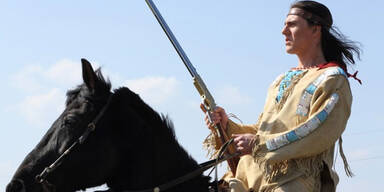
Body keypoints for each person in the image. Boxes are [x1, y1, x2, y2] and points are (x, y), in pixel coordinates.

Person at [202, 1, 361, 191]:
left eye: (291, 24)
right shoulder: (280, 80)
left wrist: (257, 144)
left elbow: (316, 132)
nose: (283, 31)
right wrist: (227, 126)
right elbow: (263, 129)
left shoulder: (332, 79)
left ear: (315, 30)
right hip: (251, 176)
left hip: (296, 181)